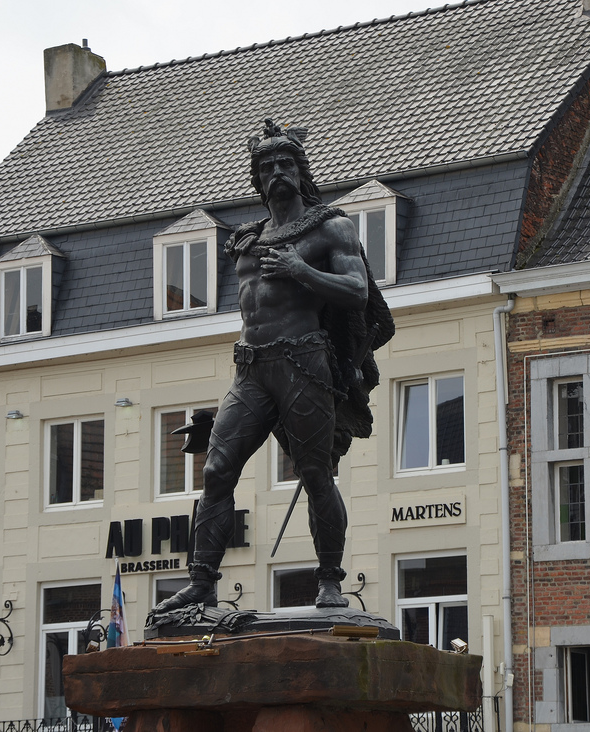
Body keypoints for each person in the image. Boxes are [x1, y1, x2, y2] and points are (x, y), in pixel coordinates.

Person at [153, 120, 392, 613]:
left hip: (303, 362)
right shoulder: (245, 241)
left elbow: (358, 292)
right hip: (250, 369)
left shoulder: (331, 228)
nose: (277, 172)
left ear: (301, 172)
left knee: (315, 473)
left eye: (286, 164)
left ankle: (329, 580)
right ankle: (202, 581)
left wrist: (302, 271)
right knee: (217, 470)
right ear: (257, 180)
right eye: (267, 167)